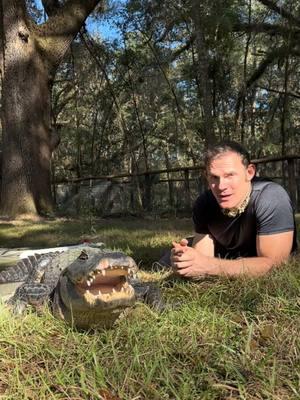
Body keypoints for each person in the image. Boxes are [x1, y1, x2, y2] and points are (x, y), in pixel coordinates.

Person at [170, 141, 297, 278]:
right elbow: (201, 260)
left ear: (249, 172)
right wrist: (187, 261)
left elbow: (275, 265)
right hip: (226, 259)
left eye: (229, 175)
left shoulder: (271, 197)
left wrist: (208, 266)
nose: (221, 186)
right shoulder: (204, 203)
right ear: (206, 176)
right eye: (214, 177)